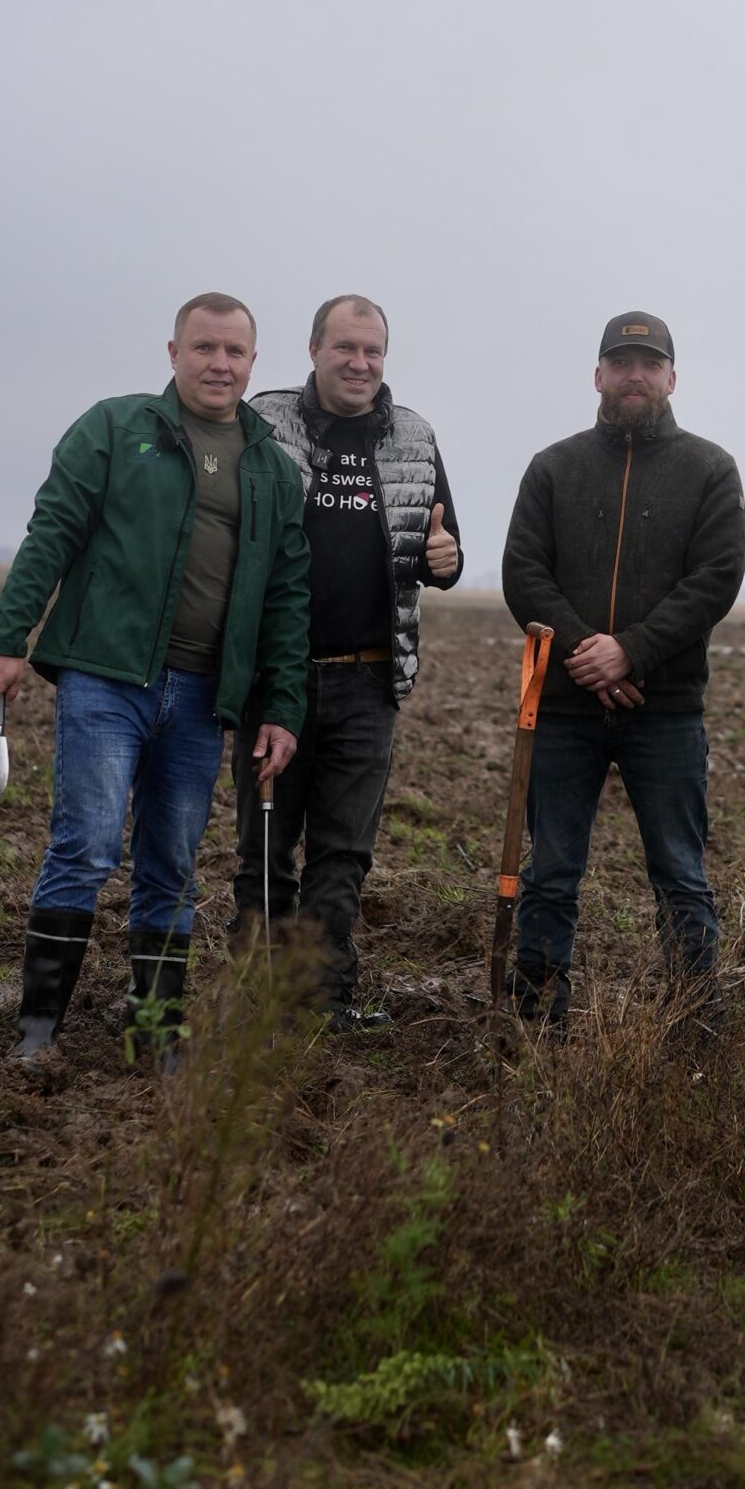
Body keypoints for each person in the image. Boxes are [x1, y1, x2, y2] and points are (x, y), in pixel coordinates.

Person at [0, 294, 309, 1064]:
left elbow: (289, 597)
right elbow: (52, 533)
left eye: (234, 351)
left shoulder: (271, 468)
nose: (219, 364)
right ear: (173, 352)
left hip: (203, 695)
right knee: (87, 845)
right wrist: (6, 642)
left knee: (173, 865)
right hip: (106, 678)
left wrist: (283, 706)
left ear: (253, 362)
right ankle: (37, 1029)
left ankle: (156, 1031)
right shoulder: (115, 429)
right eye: (204, 348)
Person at [500, 312, 745, 1026]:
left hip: (665, 711)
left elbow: (716, 578)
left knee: (680, 873)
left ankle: (694, 1022)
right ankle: (537, 1018)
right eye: (621, 362)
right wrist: (590, 653)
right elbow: (524, 573)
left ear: (672, 377)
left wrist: (633, 650)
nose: (634, 375)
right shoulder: (553, 467)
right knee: (551, 873)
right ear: (598, 375)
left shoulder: (710, 470)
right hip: (563, 708)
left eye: (649, 364)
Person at [232, 294, 462, 1029]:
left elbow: (439, 550)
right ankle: (257, 996)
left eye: (373, 351)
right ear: (314, 351)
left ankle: (322, 1000)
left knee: (343, 853)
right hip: (277, 679)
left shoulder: (414, 437)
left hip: (368, 678)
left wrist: (446, 562)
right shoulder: (267, 423)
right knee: (265, 846)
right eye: (345, 348)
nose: (360, 363)